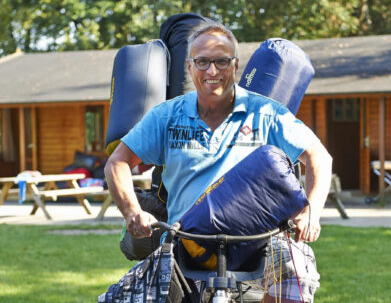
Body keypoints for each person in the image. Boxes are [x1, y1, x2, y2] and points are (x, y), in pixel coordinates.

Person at [104, 22, 332, 302]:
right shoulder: (166, 117)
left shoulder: (266, 113)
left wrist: (311, 212)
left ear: (235, 66)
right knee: (120, 297)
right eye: (202, 62)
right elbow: (118, 162)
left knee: (297, 264)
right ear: (189, 66)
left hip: (259, 242)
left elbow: (319, 157)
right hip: (183, 242)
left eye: (221, 61)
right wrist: (131, 212)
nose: (212, 71)